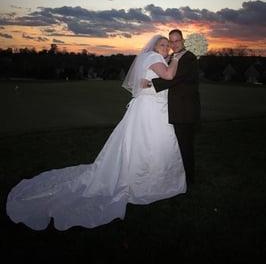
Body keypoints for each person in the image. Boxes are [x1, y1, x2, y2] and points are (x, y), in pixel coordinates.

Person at [6, 35, 186, 231]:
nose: (167, 47)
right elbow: (168, 76)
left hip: (151, 107)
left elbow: (150, 82)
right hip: (151, 110)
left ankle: (150, 177)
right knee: (150, 143)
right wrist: (177, 57)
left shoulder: (152, 58)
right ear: (154, 46)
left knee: (147, 144)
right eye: (163, 44)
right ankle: (146, 182)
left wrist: (160, 73)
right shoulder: (153, 57)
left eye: (168, 45)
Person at [151, 29, 201, 185]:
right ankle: (180, 176)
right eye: (171, 41)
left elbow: (175, 79)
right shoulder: (174, 56)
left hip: (185, 110)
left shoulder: (189, 58)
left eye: (177, 40)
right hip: (178, 108)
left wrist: (149, 84)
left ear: (183, 41)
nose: (174, 44)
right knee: (179, 145)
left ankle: (189, 180)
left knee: (185, 146)